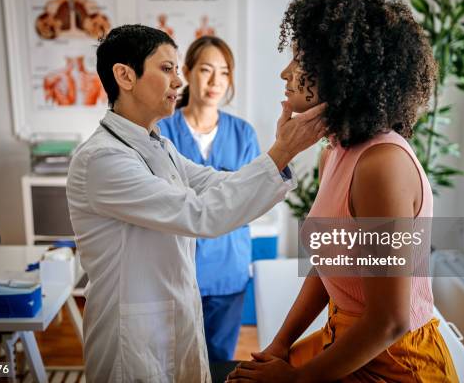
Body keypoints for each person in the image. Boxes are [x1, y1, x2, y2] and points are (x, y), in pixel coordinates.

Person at [66, 24, 326, 382]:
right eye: (167, 68)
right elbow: (200, 214)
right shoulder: (102, 160)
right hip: (134, 335)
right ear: (125, 76)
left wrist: (281, 153)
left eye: (177, 69)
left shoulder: (159, 146)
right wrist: (283, 150)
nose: (178, 81)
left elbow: (216, 183)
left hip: (175, 317)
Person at [227, 0, 459, 382]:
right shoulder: (334, 151)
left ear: (341, 71)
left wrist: (295, 379)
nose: (285, 73)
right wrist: (281, 343)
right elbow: (329, 265)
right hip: (346, 333)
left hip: (396, 360)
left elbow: (390, 322)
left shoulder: (382, 165)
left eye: (300, 60)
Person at [158, 36, 259, 362]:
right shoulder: (162, 130)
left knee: (218, 359)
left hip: (228, 268)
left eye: (225, 72)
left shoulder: (244, 133)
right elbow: (160, 199)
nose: (216, 81)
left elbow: (252, 199)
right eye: (206, 70)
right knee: (173, 359)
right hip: (174, 270)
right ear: (186, 71)